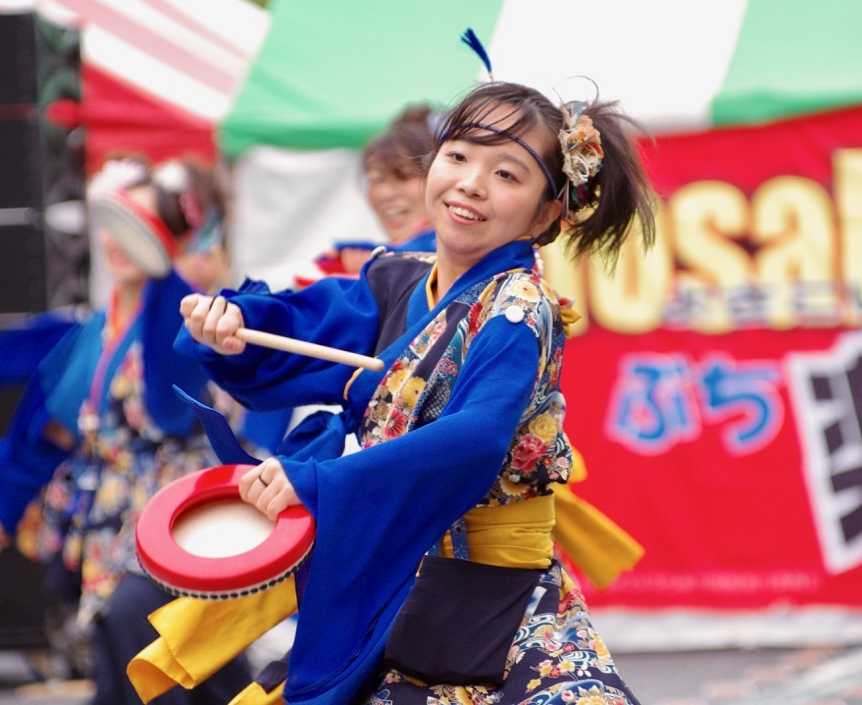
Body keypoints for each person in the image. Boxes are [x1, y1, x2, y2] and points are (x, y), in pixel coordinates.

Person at [173, 77, 656, 705]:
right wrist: (232, 329)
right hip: (401, 588)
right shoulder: (396, 282)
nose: (472, 183)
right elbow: (297, 329)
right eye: (458, 156)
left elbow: (474, 439)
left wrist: (318, 481)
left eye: (507, 174)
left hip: (500, 607)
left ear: (546, 214)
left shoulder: (519, 309)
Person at [0, 156, 254, 705]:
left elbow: (172, 405)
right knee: (119, 660)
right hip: (103, 524)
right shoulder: (94, 330)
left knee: (141, 633)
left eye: (139, 227)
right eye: (114, 223)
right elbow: (51, 433)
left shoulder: (184, 316)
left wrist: (164, 267)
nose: (121, 241)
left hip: (175, 517)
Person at [297, 103, 440, 287]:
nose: (387, 194)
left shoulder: (462, 259)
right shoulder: (347, 262)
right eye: (376, 179)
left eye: (404, 177)